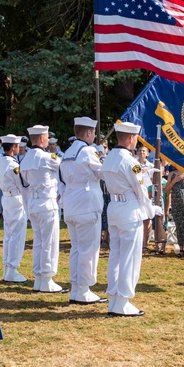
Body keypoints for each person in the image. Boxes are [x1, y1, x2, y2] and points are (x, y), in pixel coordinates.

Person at [101, 121, 162, 316]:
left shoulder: (110, 157)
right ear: (130, 138)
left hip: (114, 207)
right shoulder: (131, 162)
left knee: (116, 255)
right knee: (130, 257)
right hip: (129, 209)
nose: (136, 142)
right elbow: (141, 190)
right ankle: (123, 301)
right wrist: (151, 210)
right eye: (135, 138)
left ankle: (114, 299)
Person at [59, 117, 107, 305]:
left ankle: (77, 288)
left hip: (71, 202)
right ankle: (84, 289)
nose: (94, 136)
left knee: (77, 248)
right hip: (87, 203)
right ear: (88, 133)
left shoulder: (68, 152)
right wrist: (102, 156)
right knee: (88, 248)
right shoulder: (87, 151)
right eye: (93, 133)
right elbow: (102, 172)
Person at [21, 124, 66, 293]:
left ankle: (39, 277)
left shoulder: (25, 159)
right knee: (49, 241)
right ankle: (46, 277)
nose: (48, 139)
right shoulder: (47, 158)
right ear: (41, 138)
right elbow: (64, 167)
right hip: (46, 203)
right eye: (47, 137)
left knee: (39, 241)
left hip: (33, 203)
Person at [0, 134, 28, 282]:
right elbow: (22, 183)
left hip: (6, 198)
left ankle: (7, 267)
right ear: (14, 147)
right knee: (17, 234)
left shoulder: (0, 161)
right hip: (15, 198)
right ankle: (12, 268)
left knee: (8, 234)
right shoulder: (13, 165)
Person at [164, 165, 184, 257]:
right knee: (179, 225)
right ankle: (181, 249)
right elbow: (167, 190)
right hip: (176, 203)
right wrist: (174, 181)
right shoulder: (172, 174)